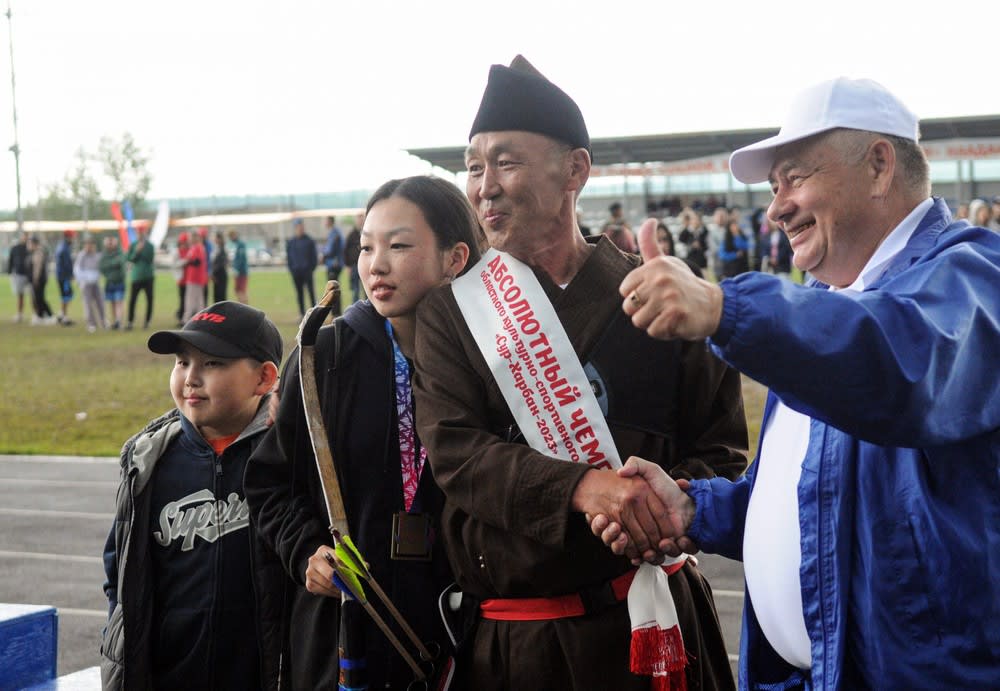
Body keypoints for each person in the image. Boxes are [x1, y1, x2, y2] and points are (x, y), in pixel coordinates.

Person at [592, 77, 1000, 689]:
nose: (776, 208)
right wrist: (695, 510)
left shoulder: (975, 279)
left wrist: (725, 308)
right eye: (773, 188)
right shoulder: (826, 304)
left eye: (795, 179)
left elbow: (901, 367)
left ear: (879, 166)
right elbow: (814, 502)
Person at [412, 55, 747, 691]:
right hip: (523, 647)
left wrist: (662, 509)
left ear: (575, 170)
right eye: (474, 167)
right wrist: (585, 489)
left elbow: (721, 448)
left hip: (658, 624)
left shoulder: (660, 293)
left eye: (506, 162)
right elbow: (458, 454)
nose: (485, 187)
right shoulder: (452, 314)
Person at [245, 175, 482, 689]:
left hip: (459, 636)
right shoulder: (323, 358)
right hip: (344, 637)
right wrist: (307, 550)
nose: (376, 265)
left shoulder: (491, 363)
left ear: (455, 258)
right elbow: (271, 484)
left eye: (398, 246)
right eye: (366, 247)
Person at [100, 300, 283, 690]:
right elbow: (121, 572)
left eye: (213, 363)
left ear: (264, 378)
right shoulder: (149, 462)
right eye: (182, 362)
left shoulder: (285, 455)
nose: (191, 378)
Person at [125, 226, 155, 330]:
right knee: (132, 300)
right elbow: (129, 258)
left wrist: (142, 250)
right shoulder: (133, 245)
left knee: (149, 299)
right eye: (139, 233)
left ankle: (147, 321)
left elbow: (150, 259)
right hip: (136, 277)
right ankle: (130, 321)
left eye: (142, 233)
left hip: (148, 276)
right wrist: (137, 251)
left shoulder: (150, 246)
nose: (140, 235)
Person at [286, 218, 318, 316]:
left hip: (307, 271)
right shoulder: (291, 242)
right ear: (295, 228)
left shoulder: (309, 241)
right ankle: (302, 313)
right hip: (296, 272)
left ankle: (315, 314)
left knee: (311, 292)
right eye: (298, 227)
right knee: (299, 294)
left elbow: (314, 256)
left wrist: (311, 268)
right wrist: (292, 269)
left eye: (301, 226)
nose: (300, 229)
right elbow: (289, 257)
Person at [74, 235, 106, 332]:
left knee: (100, 302)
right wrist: (82, 280)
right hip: (86, 283)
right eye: (88, 245)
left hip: (95, 282)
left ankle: (103, 321)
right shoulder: (82, 256)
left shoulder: (97, 255)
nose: (90, 247)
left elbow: (100, 268)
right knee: (88, 304)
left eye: (91, 245)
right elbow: (77, 270)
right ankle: (91, 323)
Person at [100, 235, 127, 330]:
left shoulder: (120, 253)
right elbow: (102, 267)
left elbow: (120, 263)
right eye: (109, 243)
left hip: (119, 282)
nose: (110, 244)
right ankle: (115, 321)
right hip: (109, 282)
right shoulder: (104, 254)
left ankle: (119, 321)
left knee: (119, 301)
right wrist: (112, 265)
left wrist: (111, 264)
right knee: (112, 302)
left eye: (112, 242)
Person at [27, 234, 55, 324]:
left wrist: (35, 279)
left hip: (39, 280)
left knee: (40, 299)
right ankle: (40, 316)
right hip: (38, 280)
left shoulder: (38, 253)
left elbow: (37, 268)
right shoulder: (35, 252)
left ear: (34, 243)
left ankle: (50, 315)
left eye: (30, 243)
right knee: (38, 299)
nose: (29, 245)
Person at [182, 230, 208, 321]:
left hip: (195, 278)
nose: (189, 239)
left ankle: (187, 319)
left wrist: (187, 262)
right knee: (196, 300)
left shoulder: (198, 247)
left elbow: (197, 262)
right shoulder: (194, 247)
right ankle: (197, 318)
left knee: (193, 300)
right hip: (193, 277)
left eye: (191, 237)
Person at [321, 215, 344, 316]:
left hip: (333, 265)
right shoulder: (334, 233)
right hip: (333, 264)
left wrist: (323, 256)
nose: (324, 223)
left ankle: (336, 314)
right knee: (334, 289)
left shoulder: (334, 234)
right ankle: (335, 313)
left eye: (326, 220)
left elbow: (331, 250)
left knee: (333, 290)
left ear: (330, 221)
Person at [5, 232, 30, 322]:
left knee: (33, 296)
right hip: (19, 274)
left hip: (29, 275)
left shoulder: (29, 248)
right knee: (20, 295)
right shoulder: (15, 248)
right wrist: (9, 271)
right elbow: (11, 260)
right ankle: (20, 314)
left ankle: (37, 314)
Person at [55, 229, 76, 326]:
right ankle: (64, 317)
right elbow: (66, 264)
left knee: (67, 295)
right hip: (64, 277)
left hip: (62, 276)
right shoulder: (64, 248)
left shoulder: (62, 246)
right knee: (66, 296)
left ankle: (61, 314)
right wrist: (70, 275)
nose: (73, 239)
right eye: (72, 237)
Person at [343, 213, 363, 303]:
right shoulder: (351, 235)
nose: (360, 222)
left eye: (362, 220)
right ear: (356, 221)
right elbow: (345, 250)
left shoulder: (367, 234)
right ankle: (355, 309)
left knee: (367, 290)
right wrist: (347, 266)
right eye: (359, 220)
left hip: (365, 266)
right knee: (355, 290)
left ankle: (370, 309)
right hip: (354, 266)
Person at [228, 228, 249, 304]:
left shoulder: (240, 244)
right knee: (238, 290)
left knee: (241, 290)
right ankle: (242, 304)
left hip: (241, 272)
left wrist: (236, 269)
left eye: (231, 236)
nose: (231, 239)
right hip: (240, 272)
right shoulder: (237, 244)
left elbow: (241, 258)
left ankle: (244, 305)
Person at [174, 232, 190, 326]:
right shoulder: (177, 252)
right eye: (183, 242)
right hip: (181, 280)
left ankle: (184, 317)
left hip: (189, 280)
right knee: (182, 299)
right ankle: (181, 318)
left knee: (188, 300)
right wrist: (185, 262)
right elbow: (175, 264)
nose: (184, 244)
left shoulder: (189, 250)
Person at [211, 231, 229, 303]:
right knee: (217, 296)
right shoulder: (218, 248)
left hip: (220, 275)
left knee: (221, 296)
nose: (214, 239)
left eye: (216, 238)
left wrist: (214, 273)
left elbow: (221, 264)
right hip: (218, 275)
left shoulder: (222, 249)